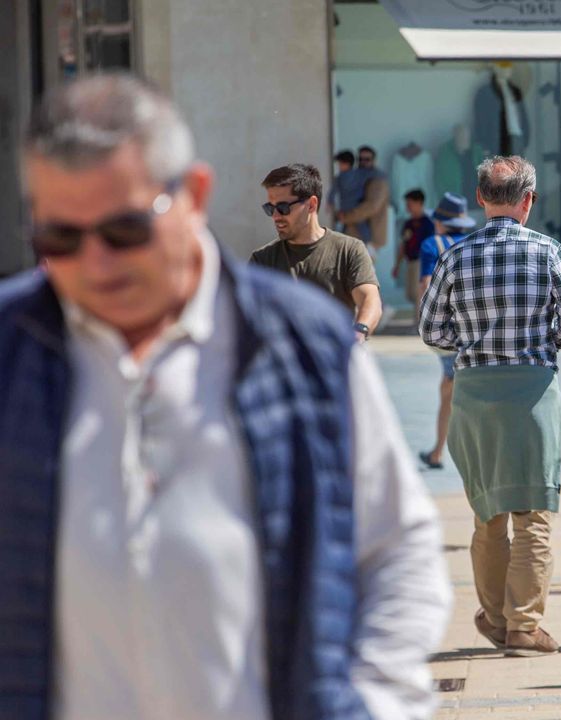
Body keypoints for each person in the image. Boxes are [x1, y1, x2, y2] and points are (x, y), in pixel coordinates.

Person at [0, 74, 451, 720]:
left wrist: (373, 704)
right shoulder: (11, 352)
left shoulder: (306, 348)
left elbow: (396, 549)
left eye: (124, 230)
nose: (95, 262)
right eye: (61, 238)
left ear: (194, 196)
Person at [420, 155, 561, 658]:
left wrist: (471, 341)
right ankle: (524, 626)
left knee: (488, 514)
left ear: (480, 198)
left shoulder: (454, 256)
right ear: (528, 200)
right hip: (532, 392)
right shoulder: (548, 251)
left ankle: (496, 619)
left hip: (473, 393)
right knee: (533, 514)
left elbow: (432, 331)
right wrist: (539, 341)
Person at [250, 163, 382, 341]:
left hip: (334, 353)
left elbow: (369, 299)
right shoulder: (262, 259)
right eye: (270, 208)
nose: (275, 216)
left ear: (311, 205)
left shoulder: (348, 249)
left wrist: (358, 333)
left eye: (283, 208)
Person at [416, 191, 476, 470]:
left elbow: (426, 285)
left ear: (439, 221)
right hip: (474, 325)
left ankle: (444, 452)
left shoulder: (432, 244)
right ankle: (438, 452)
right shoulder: (474, 242)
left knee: (452, 388)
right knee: (450, 387)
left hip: (447, 331)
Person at [339, 145, 391, 249]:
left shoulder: (378, 180)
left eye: (367, 159)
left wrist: (347, 217)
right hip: (354, 234)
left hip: (369, 236)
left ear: (373, 160)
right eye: (360, 159)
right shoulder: (356, 176)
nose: (363, 162)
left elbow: (371, 207)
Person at [393, 188, 429, 304]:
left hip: (421, 263)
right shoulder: (408, 224)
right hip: (410, 262)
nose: (407, 207)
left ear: (419, 203)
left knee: (418, 294)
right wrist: (397, 265)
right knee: (410, 294)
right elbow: (403, 244)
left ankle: (419, 316)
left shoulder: (428, 224)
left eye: (410, 203)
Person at [328, 148, 367, 237]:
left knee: (356, 227)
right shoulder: (358, 174)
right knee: (353, 227)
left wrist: (330, 201)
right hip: (354, 207)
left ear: (346, 164)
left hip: (349, 208)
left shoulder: (342, 177)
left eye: (340, 164)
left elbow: (333, 191)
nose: (339, 166)